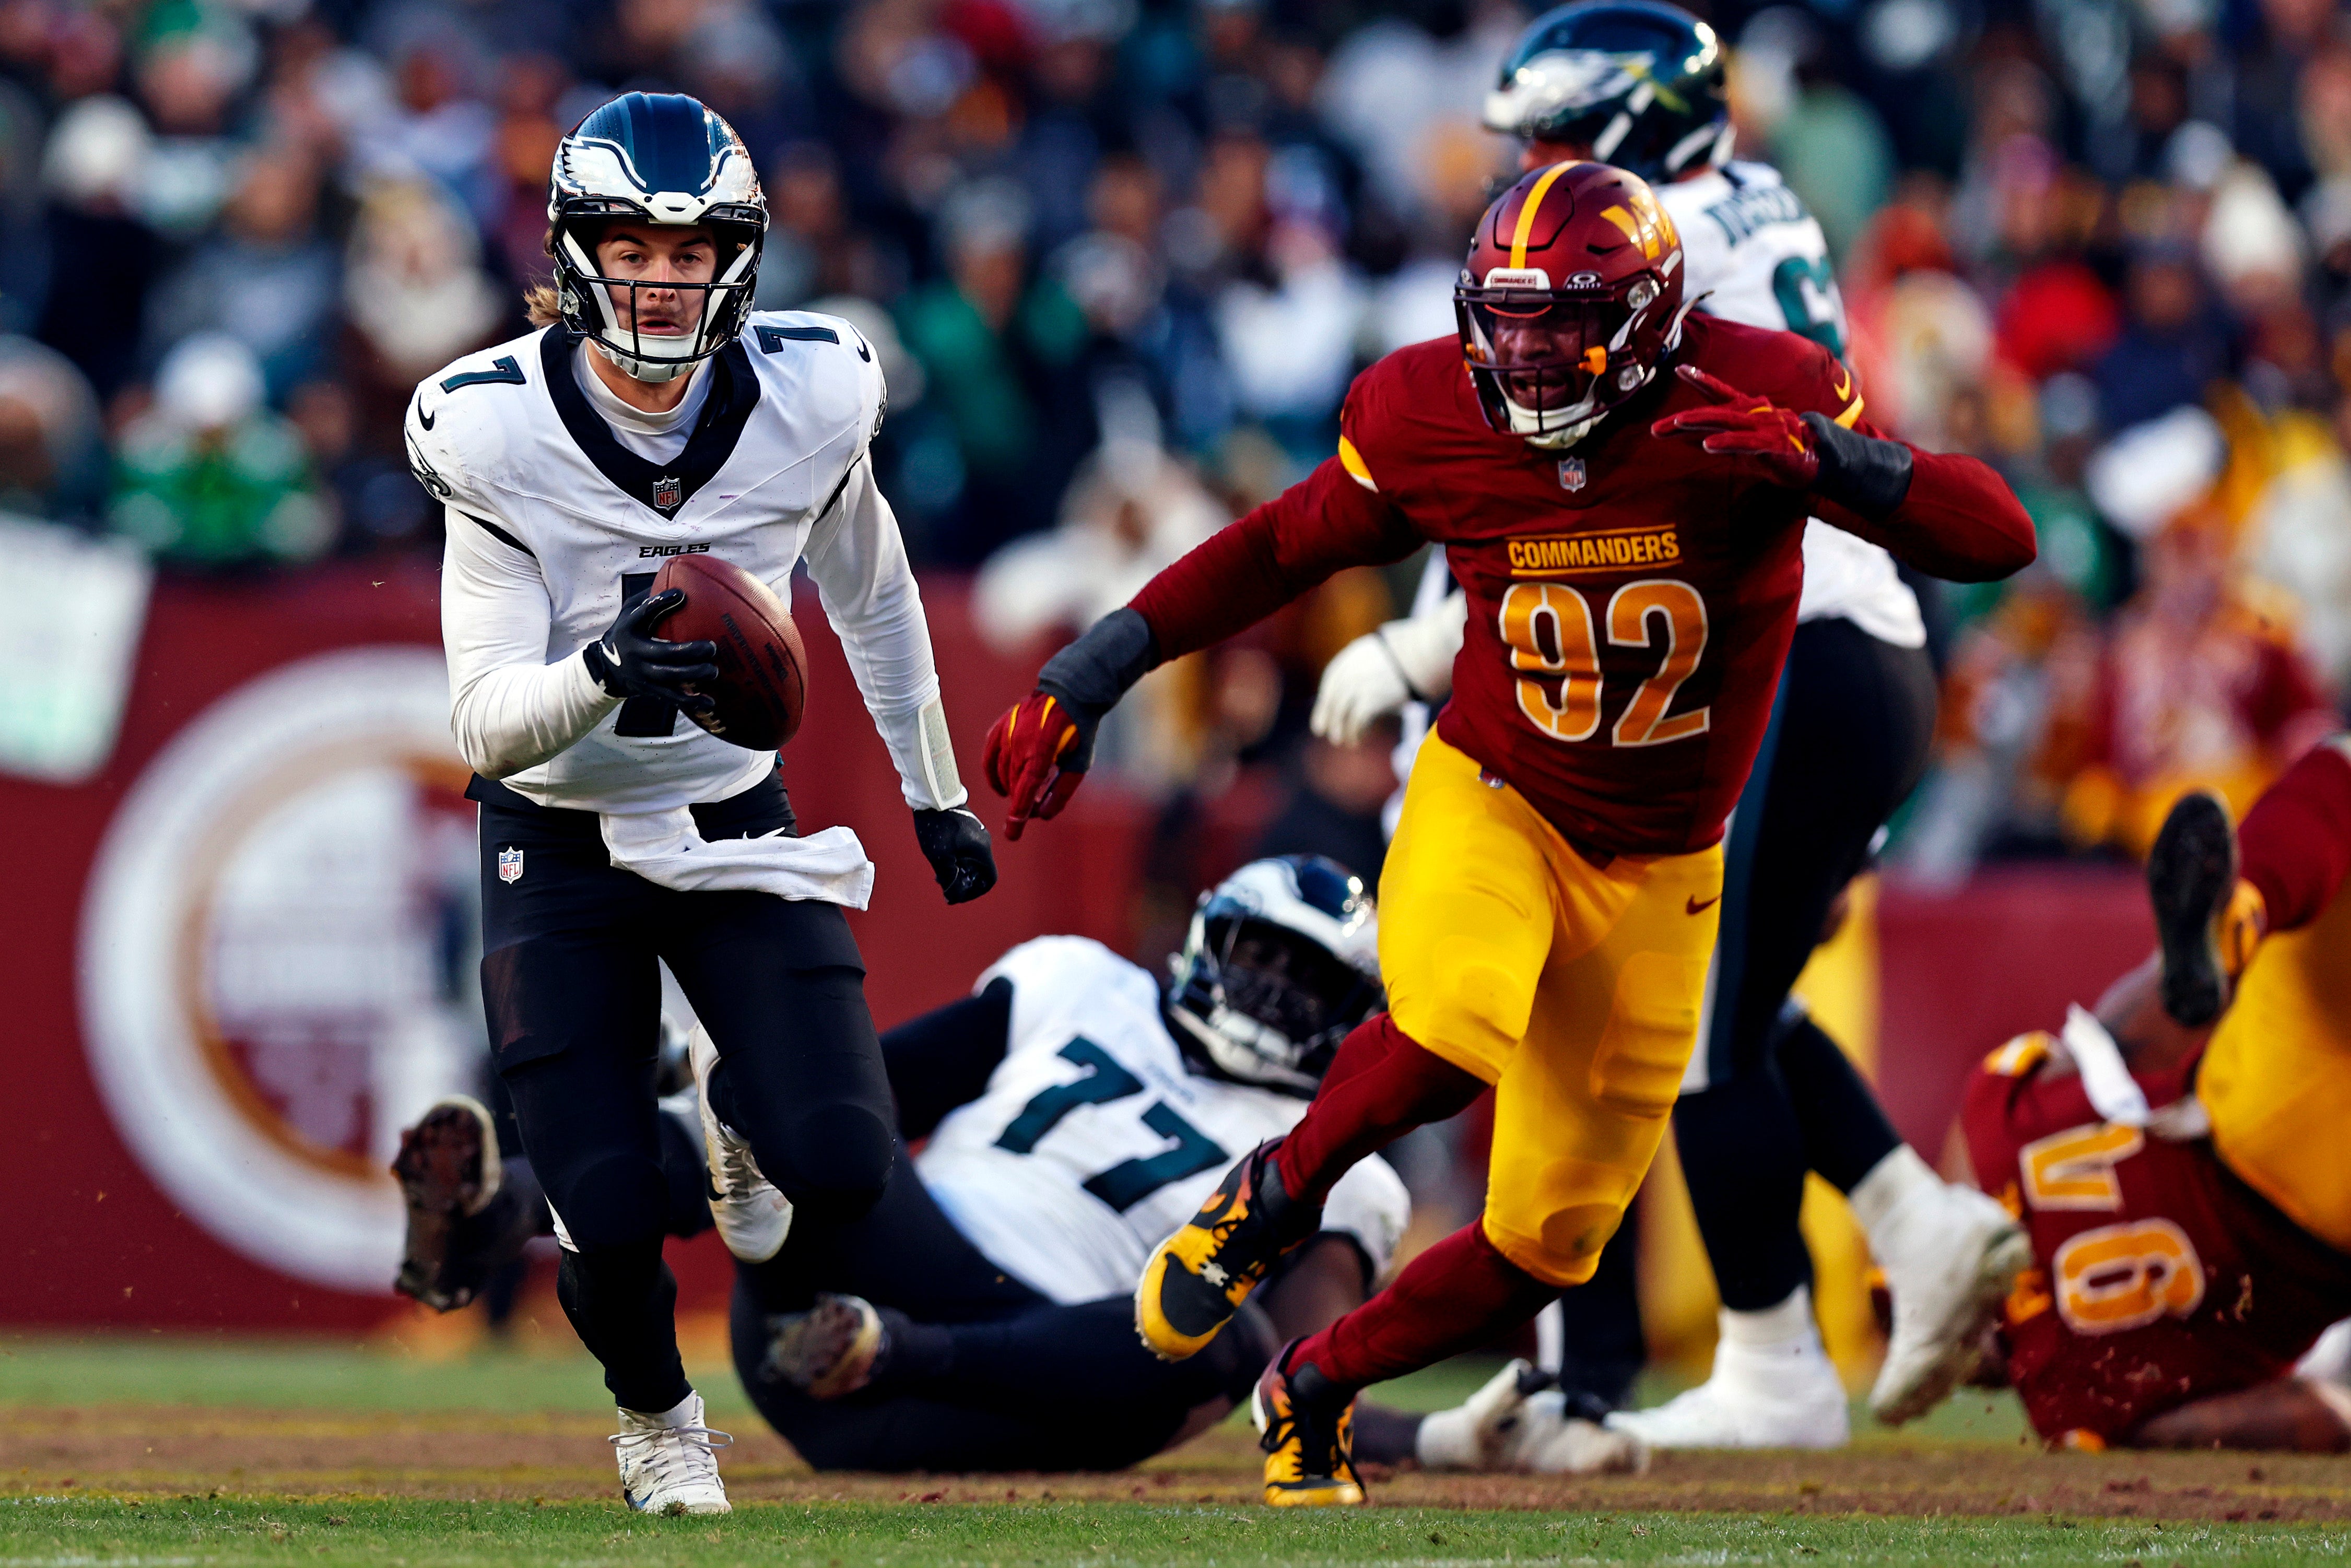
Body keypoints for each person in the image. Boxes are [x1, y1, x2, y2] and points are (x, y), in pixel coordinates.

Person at [982, 157, 2036, 1505]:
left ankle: (1311, 1384)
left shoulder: (1750, 390)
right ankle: (1264, 1198)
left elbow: (1992, 535)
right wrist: (1097, 661)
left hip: (1666, 864)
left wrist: (1838, 461)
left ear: (1652, 318)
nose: (1524, 351)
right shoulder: (1428, 403)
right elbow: (1277, 546)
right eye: (1505, 316)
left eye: (1562, 319)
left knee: (1548, 1241)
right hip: (1500, 797)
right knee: (1453, 1020)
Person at [1306, 0, 2027, 1449]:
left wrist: (1418, 638)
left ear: (1627, 128)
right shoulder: (1742, 206)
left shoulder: (1638, 250)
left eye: (1556, 137)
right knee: (1721, 995)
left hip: (1762, 638)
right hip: (1838, 635)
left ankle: (1770, 1358)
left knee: (1684, 1018)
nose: (1530, 172)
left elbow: (1601, 520)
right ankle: (1907, 1217)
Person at [408, 90, 996, 1516]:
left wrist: (935, 793)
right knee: (602, 1205)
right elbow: (481, 717)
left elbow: (873, 595)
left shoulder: (813, 393)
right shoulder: (489, 425)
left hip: (729, 813)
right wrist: (605, 669)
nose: (660, 275)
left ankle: (724, 1104)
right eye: (629, 244)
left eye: (691, 249)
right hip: (552, 831)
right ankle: (658, 1416)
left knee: (844, 1164)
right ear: (569, 251)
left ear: (738, 257)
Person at [393, 858, 1648, 1477]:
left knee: (1203, 1334)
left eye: (1307, 980)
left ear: (1352, 1013)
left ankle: (820, 1270)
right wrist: (776, 1109)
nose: (1271, 993)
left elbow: (1278, 1372)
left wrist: (1439, 1440)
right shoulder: (1078, 982)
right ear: (1208, 942)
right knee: (799, 1128)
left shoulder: (1346, 1171)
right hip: (879, 1265)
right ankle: (489, 1220)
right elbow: (869, 1091)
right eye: (1261, 956)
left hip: (978, 1391)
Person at [1962, 739, 2351, 1451]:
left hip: (2313, 1227)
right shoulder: (1993, 1125)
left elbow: (2317, 1417)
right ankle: (2237, 918)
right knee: (2340, 772)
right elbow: (2109, 1040)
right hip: (2252, 1091)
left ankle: (2230, 926)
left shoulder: (2075, 1397)